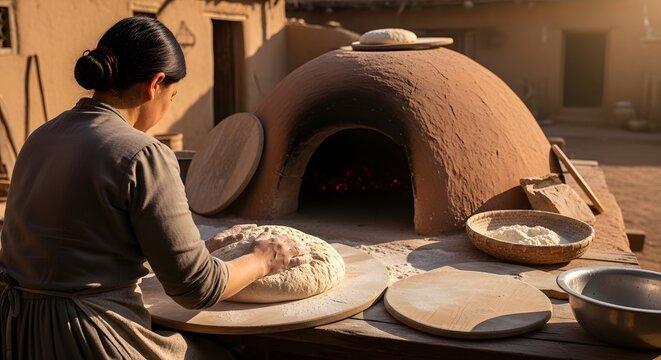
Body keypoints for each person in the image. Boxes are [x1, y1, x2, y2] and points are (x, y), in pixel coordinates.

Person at [0, 17, 305, 359]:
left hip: (21, 332)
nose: (167, 106)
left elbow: (83, 245)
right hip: (88, 337)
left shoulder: (41, 137)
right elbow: (197, 289)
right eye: (172, 96)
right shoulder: (141, 153)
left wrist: (199, 248)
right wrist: (263, 259)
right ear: (155, 83)